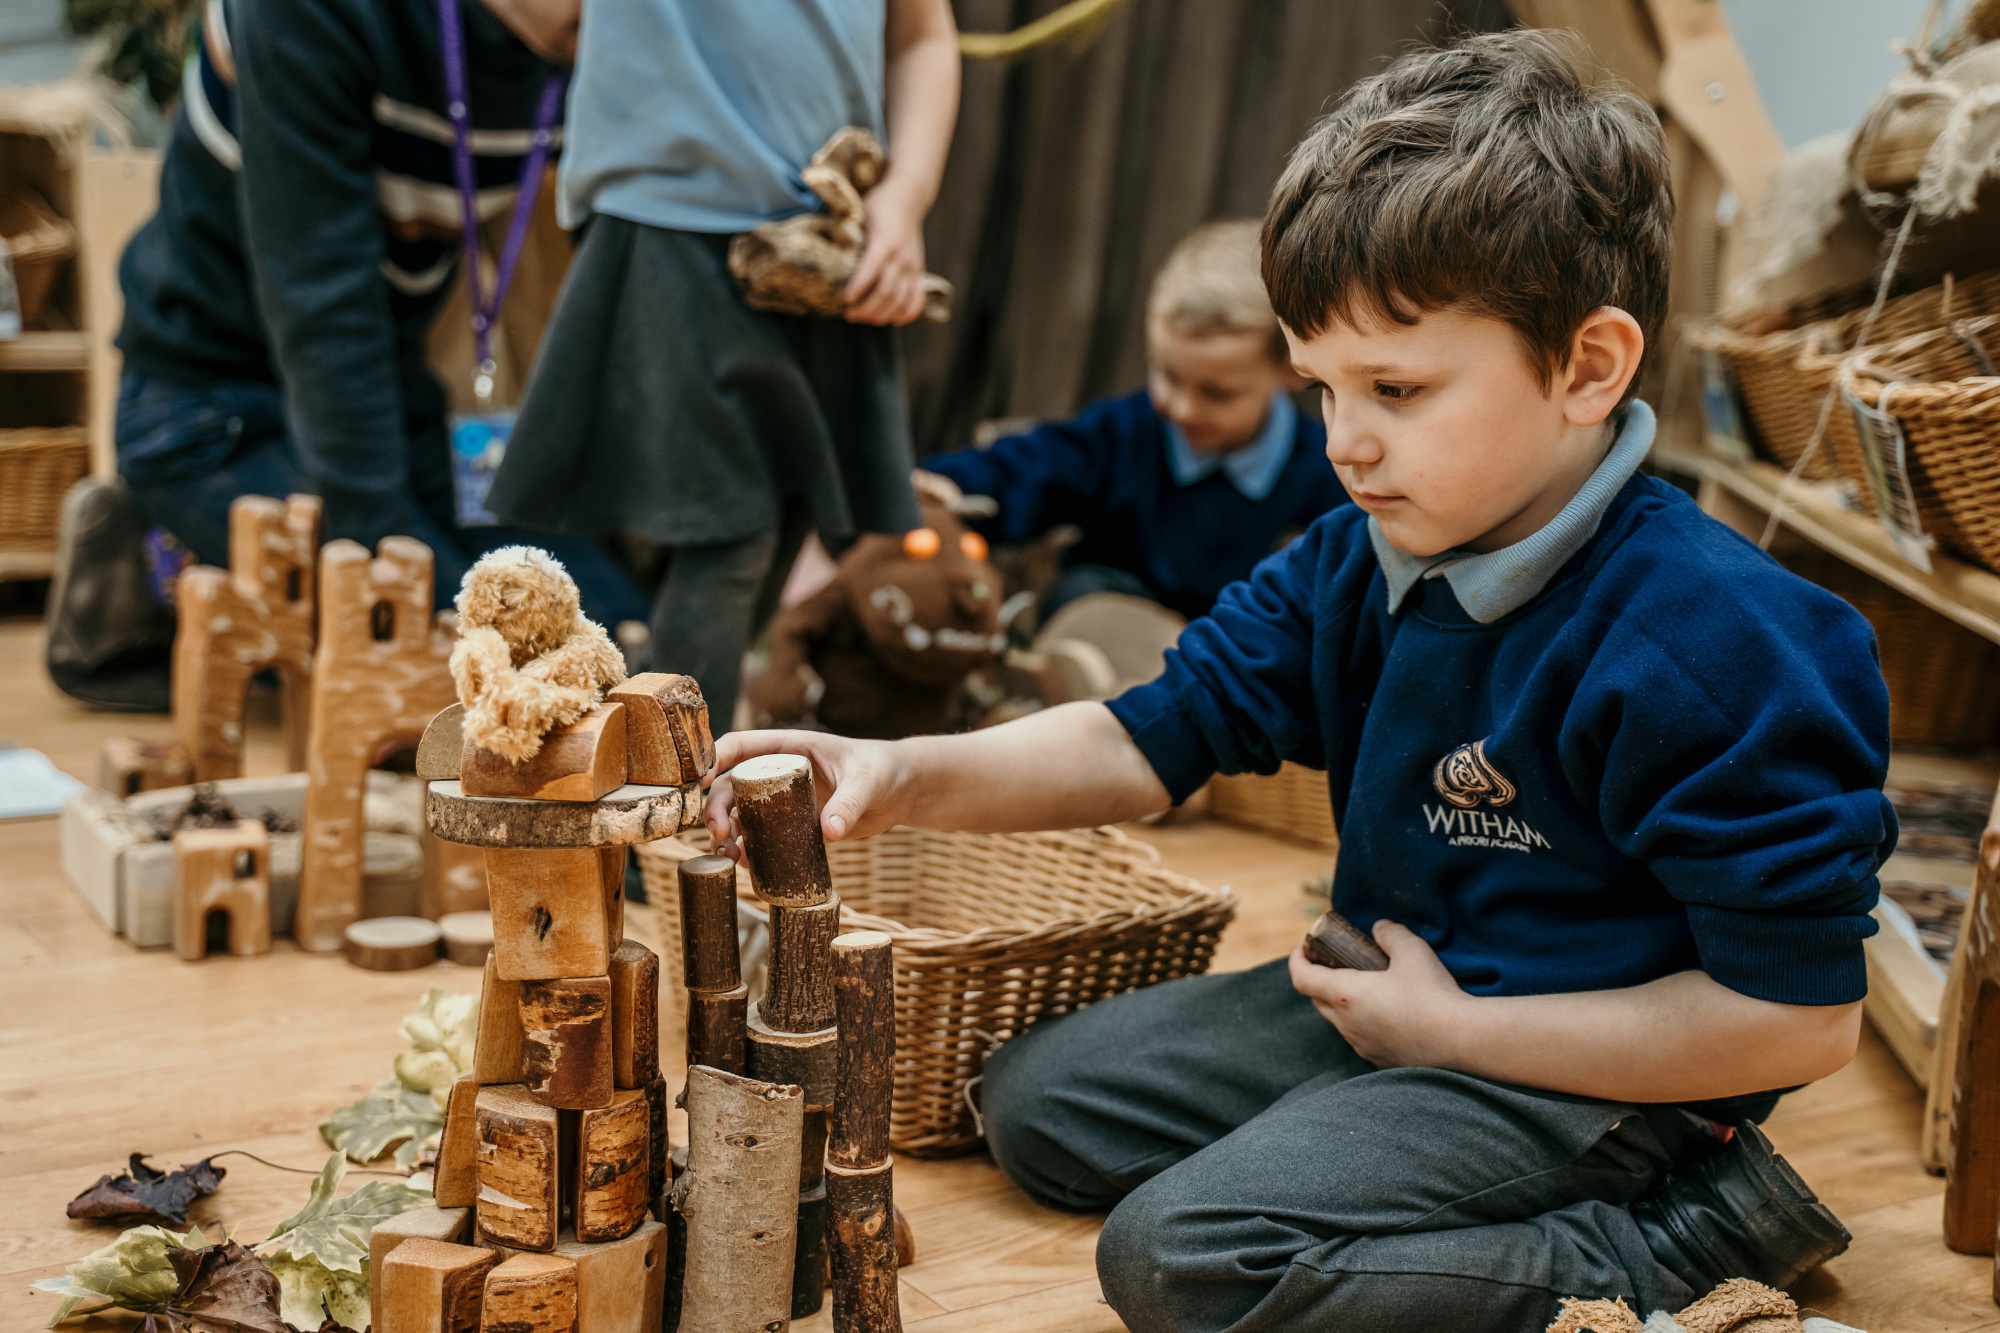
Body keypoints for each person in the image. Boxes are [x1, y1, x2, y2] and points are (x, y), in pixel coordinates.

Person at [702, 31, 1892, 1331]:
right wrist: (896, 772)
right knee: (1034, 1106)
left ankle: (1691, 1236)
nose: (1344, 443)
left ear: (1587, 367)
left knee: (1177, 1259)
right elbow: (1146, 738)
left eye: (1395, 388)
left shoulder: (1721, 639)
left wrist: (1455, 1039)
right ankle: (1372, 1143)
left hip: (1600, 1079)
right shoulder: (1353, 556)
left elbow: (1798, 1023)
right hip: (1397, 997)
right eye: (1321, 387)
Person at [486, 0, 960, 731]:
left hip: (831, 238)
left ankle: (646, 729)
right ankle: (670, 788)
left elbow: (922, 36)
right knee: (727, 534)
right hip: (673, 221)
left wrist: (907, 195)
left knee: (792, 507)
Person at [105, 0, 646, 627]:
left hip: (386, 398)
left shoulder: (596, 41)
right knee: (457, 645)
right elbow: (324, 308)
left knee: (606, 619)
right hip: (213, 405)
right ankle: (150, 570)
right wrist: (391, 590)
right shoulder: (307, 14)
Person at [921, 220, 1348, 622]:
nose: (1182, 408)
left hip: (1238, 654)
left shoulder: (1326, 476)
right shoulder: (1122, 436)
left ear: (1295, 370)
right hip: (1109, 643)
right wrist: (949, 486)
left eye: (1217, 394)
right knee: (1084, 589)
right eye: (1168, 376)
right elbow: (1033, 468)